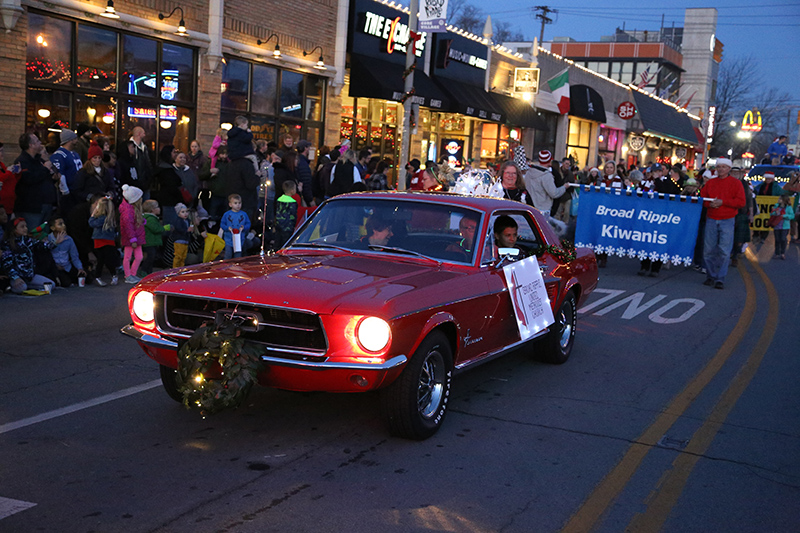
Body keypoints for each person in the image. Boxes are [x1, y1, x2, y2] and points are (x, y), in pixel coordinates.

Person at [699, 158, 745, 289]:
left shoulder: (736, 184)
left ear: (729, 169)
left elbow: (741, 202)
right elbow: (703, 198)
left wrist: (723, 202)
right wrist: (710, 204)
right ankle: (711, 275)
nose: (721, 169)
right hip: (712, 218)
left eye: (724, 167)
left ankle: (720, 278)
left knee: (724, 251)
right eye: (719, 167)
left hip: (727, 219)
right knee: (708, 250)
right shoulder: (711, 183)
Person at [1, 217, 57, 294]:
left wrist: (55, 243)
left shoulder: (28, 240)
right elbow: (7, 263)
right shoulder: (7, 244)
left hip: (30, 276)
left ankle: (28, 286)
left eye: (26, 226)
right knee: (21, 288)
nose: (25, 229)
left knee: (51, 285)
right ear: (14, 229)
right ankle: (12, 286)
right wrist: (15, 277)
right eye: (22, 227)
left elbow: (41, 245)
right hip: (17, 276)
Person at [14, 132, 58, 230]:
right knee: (33, 234)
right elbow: (29, 179)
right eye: (37, 141)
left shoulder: (39, 160)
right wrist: (45, 169)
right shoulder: (22, 161)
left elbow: (45, 177)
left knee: (44, 236)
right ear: (31, 145)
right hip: (32, 208)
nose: (40, 143)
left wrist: (53, 175)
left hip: (46, 205)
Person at [225, 116, 260, 223]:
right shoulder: (246, 163)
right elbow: (250, 184)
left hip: (234, 200)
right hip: (246, 201)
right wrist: (257, 176)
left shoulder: (231, 163)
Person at [49, 128, 83, 213]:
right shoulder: (59, 155)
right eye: (75, 138)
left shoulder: (75, 154)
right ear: (70, 140)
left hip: (77, 191)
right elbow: (60, 174)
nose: (77, 140)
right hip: (69, 192)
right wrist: (65, 192)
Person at [88, 196, 119, 286]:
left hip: (99, 240)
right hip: (108, 240)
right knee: (107, 259)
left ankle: (98, 276)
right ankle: (113, 275)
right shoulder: (110, 218)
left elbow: (91, 223)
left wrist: (93, 214)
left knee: (101, 259)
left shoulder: (100, 219)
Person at [46, 215, 85, 287]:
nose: (64, 226)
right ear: (53, 228)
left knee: (84, 276)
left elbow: (74, 256)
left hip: (67, 267)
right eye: (60, 224)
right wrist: (56, 243)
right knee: (65, 282)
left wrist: (80, 268)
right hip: (55, 268)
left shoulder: (69, 239)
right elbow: (46, 254)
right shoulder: (48, 239)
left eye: (64, 224)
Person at [524, 150, 566, 217]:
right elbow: (554, 193)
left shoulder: (529, 172)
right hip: (543, 209)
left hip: (529, 207)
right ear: (550, 161)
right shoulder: (546, 175)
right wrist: (564, 187)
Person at [119, 184, 146, 283]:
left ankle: (132, 274)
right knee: (128, 257)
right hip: (132, 238)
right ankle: (128, 275)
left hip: (136, 237)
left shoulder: (132, 209)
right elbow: (128, 226)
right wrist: (132, 238)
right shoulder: (128, 211)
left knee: (139, 257)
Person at [152, 145, 183, 228]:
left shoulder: (165, 167)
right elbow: (171, 185)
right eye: (173, 152)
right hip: (169, 200)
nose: (175, 154)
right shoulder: (166, 169)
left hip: (168, 199)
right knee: (170, 224)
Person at [220, 193, 251, 259]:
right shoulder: (226, 214)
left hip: (239, 240)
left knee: (238, 257)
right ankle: (226, 268)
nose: (238, 205)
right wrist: (227, 228)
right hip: (228, 239)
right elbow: (222, 224)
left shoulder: (244, 214)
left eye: (239, 203)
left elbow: (248, 224)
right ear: (230, 204)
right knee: (228, 255)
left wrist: (244, 228)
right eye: (235, 203)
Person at [141, 199, 165, 275]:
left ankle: (149, 272)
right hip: (150, 242)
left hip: (150, 242)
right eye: (157, 207)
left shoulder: (149, 218)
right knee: (150, 257)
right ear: (152, 209)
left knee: (151, 257)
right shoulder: (151, 219)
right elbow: (155, 229)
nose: (159, 208)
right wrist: (164, 228)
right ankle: (144, 271)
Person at [129, 126, 153, 197]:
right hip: (135, 182)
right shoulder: (129, 146)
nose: (145, 135)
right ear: (139, 134)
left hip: (145, 182)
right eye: (144, 133)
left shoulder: (144, 147)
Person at [770, 193, 794, 260]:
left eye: (780, 199)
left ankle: (782, 252)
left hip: (785, 226)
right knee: (777, 239)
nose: (778, 200)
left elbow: (792, 216)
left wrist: (784, 216)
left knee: (783, 239)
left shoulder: (788, 207)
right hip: (777, 225)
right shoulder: (776, 206)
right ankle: (777, 253)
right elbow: (771, 213)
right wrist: (775, 213)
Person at [274, 182, 298, 249]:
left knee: (278, 242)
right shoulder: (292, 202)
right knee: (286, 244)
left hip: (278, 225)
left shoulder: (279, 199)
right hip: (288, 226)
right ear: (292, 191)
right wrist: (294, 225)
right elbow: (293, 215)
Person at [0, 142, 21, 214]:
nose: (2, 153)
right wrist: (9, 172)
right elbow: (2, 179)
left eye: (3, 151)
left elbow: (11, 181)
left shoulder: (2, 165)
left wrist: (17, 173)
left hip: (9, 204)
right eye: (0, 151)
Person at [171, 203, 192, 267]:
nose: (185, 214)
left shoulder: (188, 220)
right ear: (178, 213)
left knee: (183, 257)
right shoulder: (178, 220)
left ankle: (181, 268)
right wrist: (186, 230)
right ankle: (175, 269)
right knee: (178, 256)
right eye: (182, 212)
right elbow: (178, 228)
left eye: (186, 212)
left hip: (185, 240)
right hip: (179, 240)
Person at [295, 139, 315, 207]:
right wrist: (310, 199)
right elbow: (306, 182)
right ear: (305, 148)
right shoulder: (303, 164)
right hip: (304, 196)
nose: (309, 149)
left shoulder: (299, 160)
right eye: (308, 147)